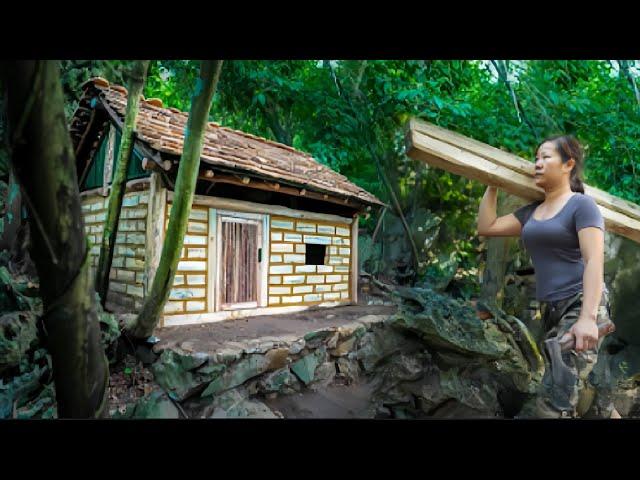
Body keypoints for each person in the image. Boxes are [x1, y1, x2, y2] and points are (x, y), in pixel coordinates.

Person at [477, 134, 618, 418]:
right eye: (536, 158)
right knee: (594, 398)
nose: (537, 164)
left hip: (583, 303)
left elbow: (594, 260)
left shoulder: (581, 205)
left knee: (555, 395)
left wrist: (588, 318)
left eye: (546, 157)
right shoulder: (532, 212)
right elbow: (487, 226)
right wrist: (493, 182)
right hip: (551, 308)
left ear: (568, 164)